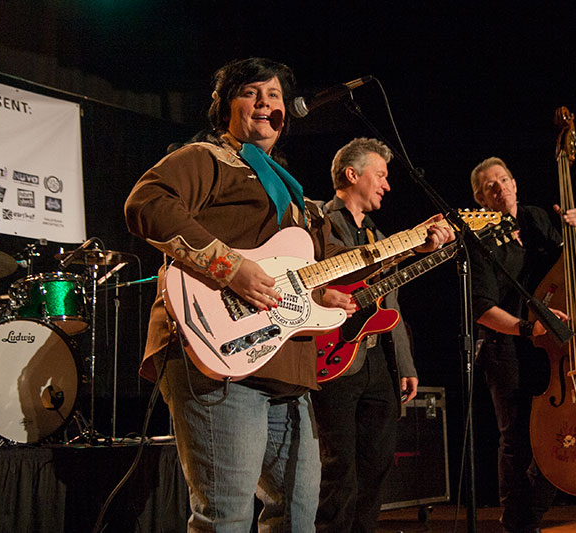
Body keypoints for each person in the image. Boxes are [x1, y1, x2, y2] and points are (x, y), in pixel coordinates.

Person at [124, 58, 452, 532]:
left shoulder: (295, 196)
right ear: (225, 108)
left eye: (274, 95)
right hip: (216, 355)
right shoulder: (205, 158)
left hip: (286, 365)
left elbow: (332, 262)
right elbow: (147, 204)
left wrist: (411, 244)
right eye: (251, 93)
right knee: (225, 516)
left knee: (298, 515)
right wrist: (231, 268)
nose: (265, 103)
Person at [468, 157, 576, 533]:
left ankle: (526, 514)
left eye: (504, 179)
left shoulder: (537, 218)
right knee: (517, 436)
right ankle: (517, 518)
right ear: (481, 199)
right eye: (490, 186)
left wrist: (575, 230)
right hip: (505, 345)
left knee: (562, 427)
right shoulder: (482, 239)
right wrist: (525, 328)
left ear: (515, 183)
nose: (500, 188)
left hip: (548, 343)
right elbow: (481, 308)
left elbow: (573, 266)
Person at [311, 138, 418, 532]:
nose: (386, 186)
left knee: (376, 465)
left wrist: (404, 363)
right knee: (338, 468)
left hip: (378, 360)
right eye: (381, 175)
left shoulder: (379, 235)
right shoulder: (318, 222)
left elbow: (394, 306)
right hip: (333, 355)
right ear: (352, 175)